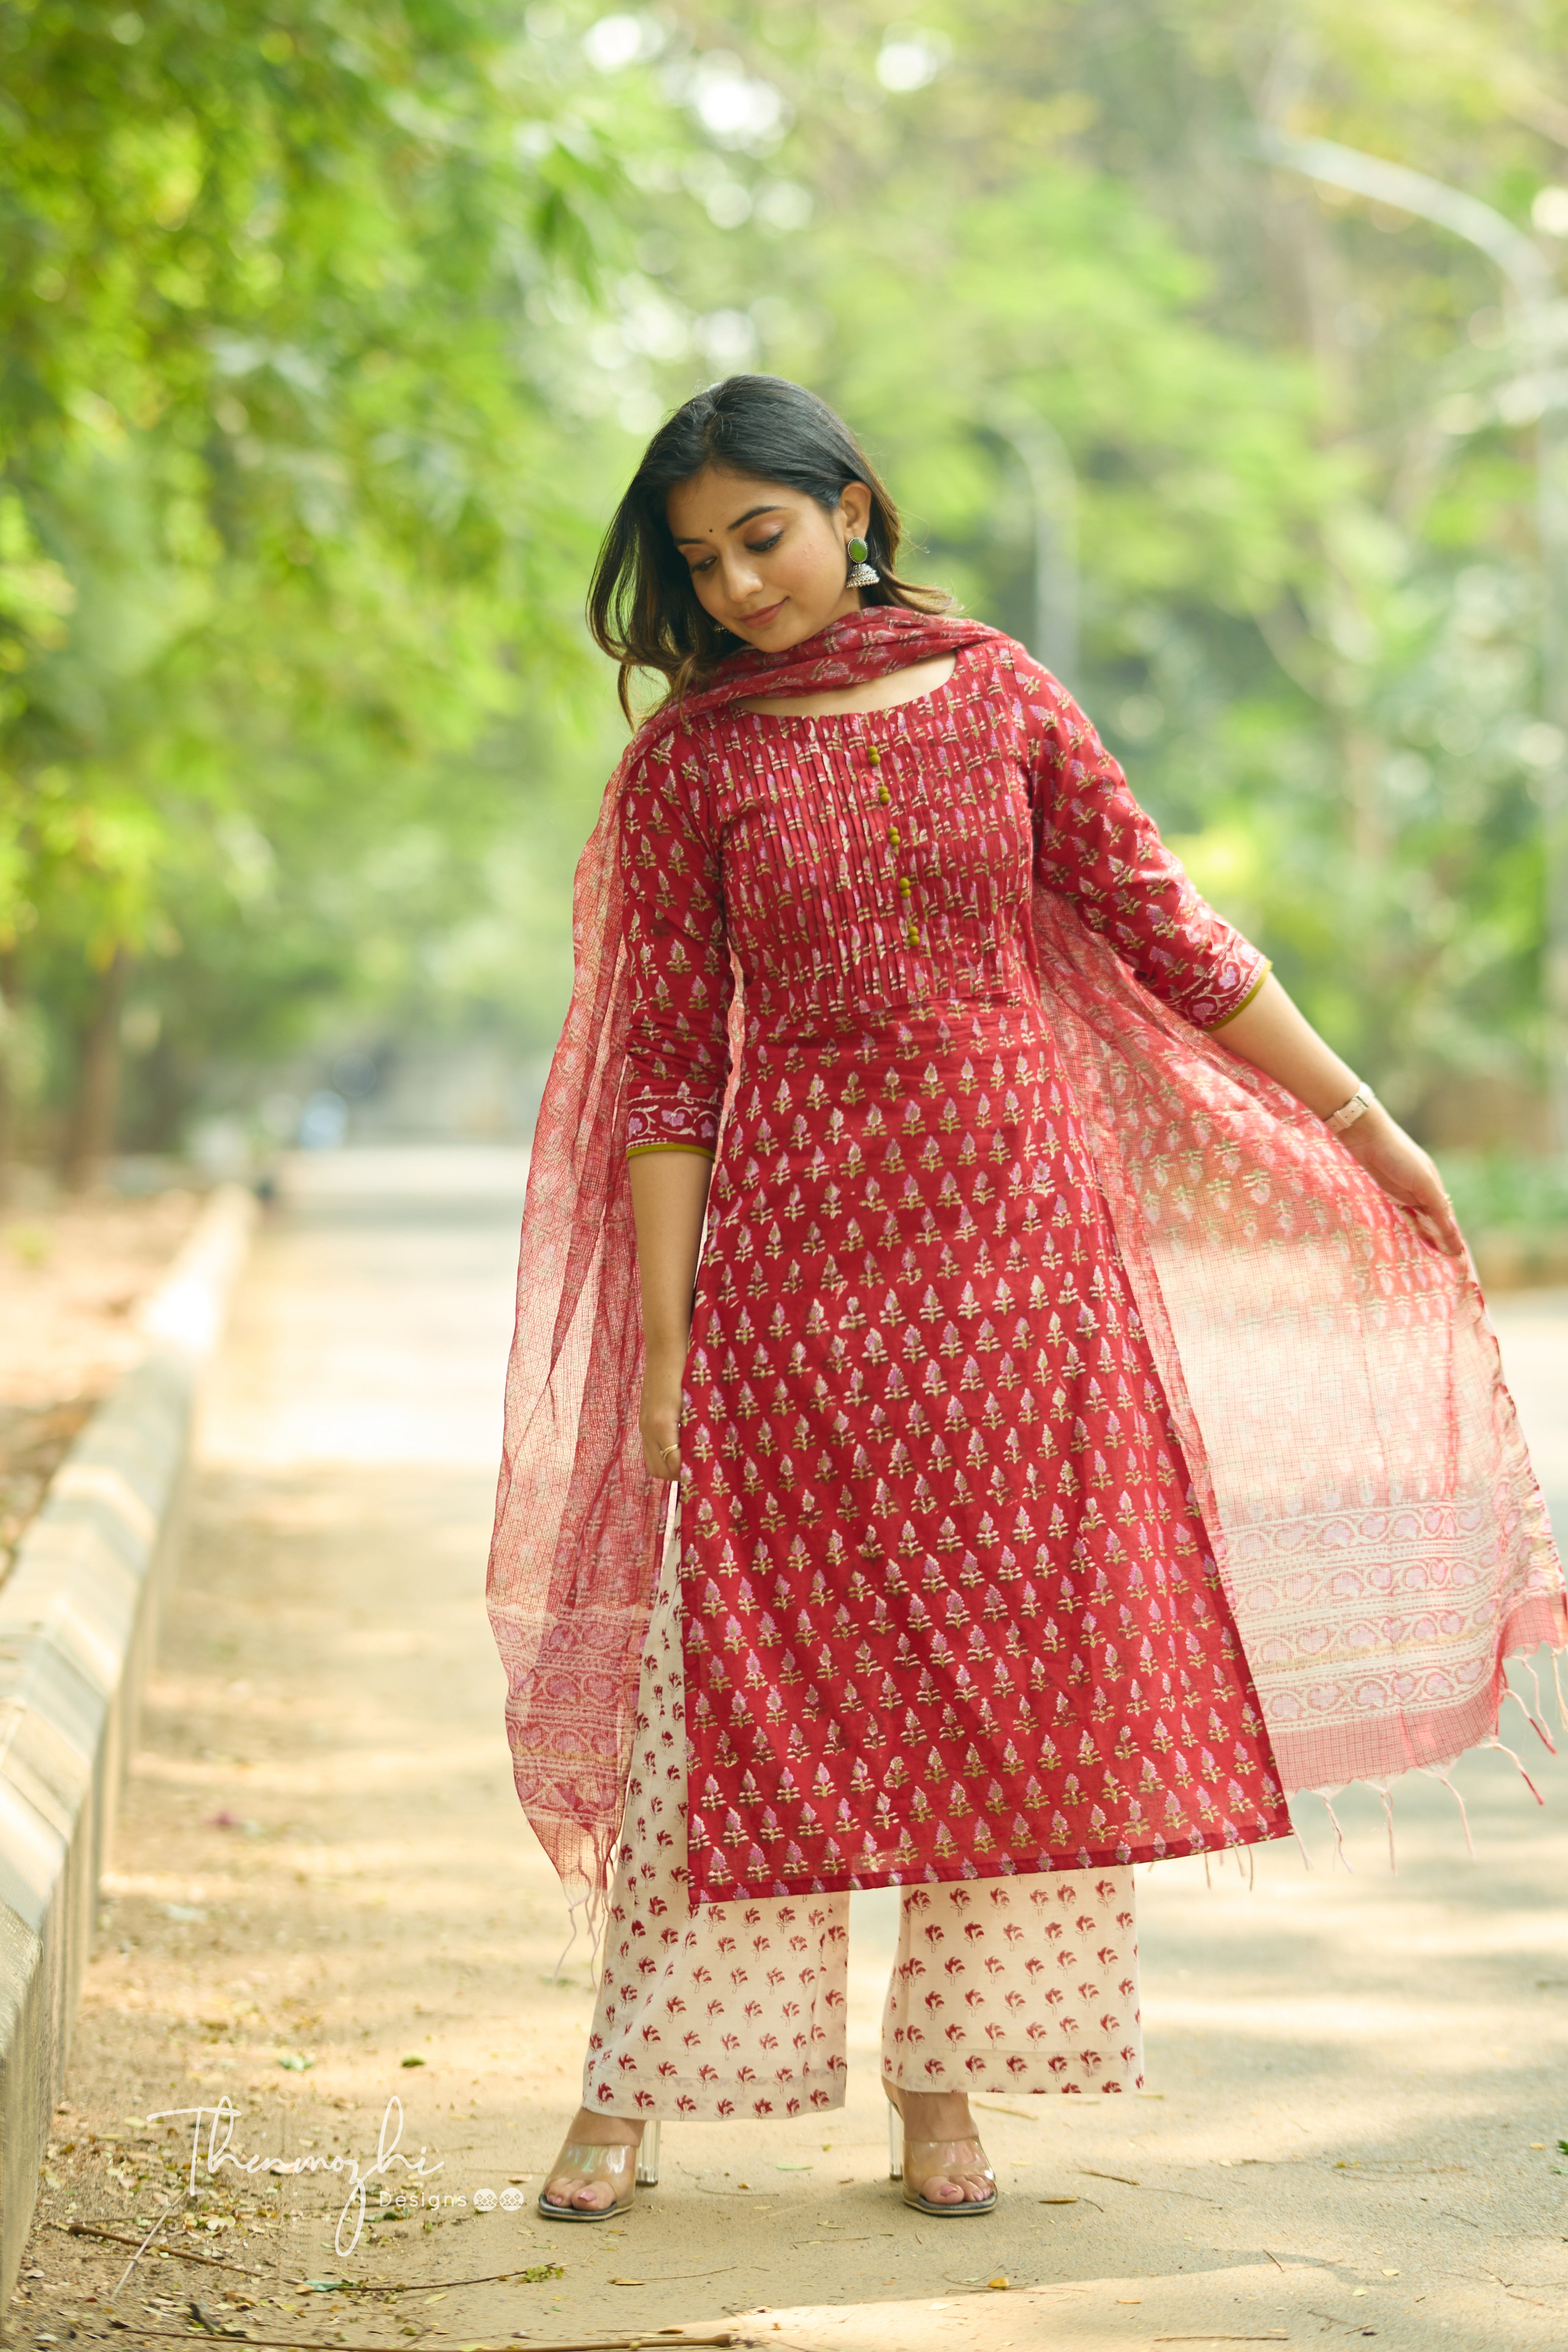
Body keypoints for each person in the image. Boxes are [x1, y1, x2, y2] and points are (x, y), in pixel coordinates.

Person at [486, 375, 1565, 2225]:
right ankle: (633, 2087)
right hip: (796, 1268)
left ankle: (945, 2084)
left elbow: (1174, 930)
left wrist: (1367, 1124)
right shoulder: (693, 766)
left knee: (1013, 1673)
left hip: (1025, 1253)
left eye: (765, 535)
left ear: (852, 507)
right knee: (730, 1676)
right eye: (701, 561)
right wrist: (668, 1341)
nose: (740, 586)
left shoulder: (1001, 695)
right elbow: (667, 1069)